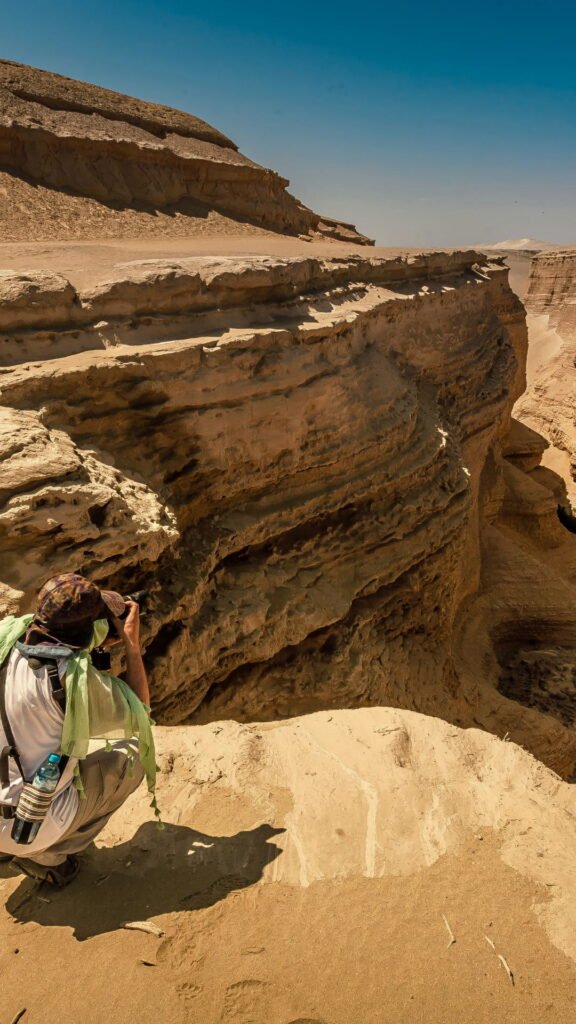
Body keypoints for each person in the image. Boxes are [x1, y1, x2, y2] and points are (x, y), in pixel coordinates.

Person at [0, 573, 155, 888]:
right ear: (86, 631)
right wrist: (130, 644)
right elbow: (140, 711)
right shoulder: (70, 681)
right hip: (26, 826)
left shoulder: (7, 637)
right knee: (133, 758)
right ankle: (48, 856)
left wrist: (92, 636)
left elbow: (53, 642)